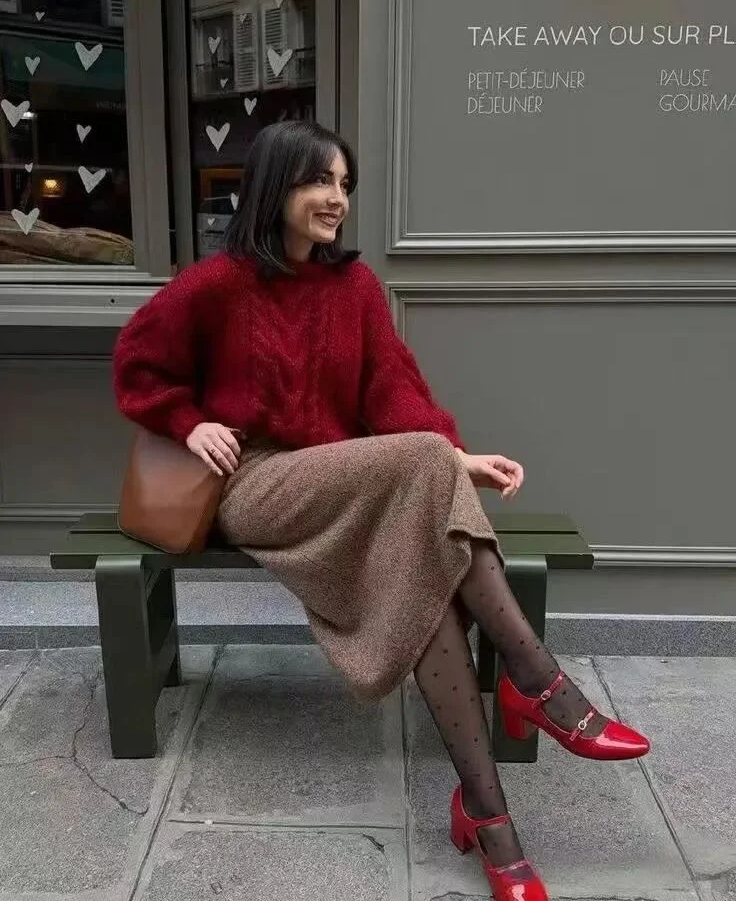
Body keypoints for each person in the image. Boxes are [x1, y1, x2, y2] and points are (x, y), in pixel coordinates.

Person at [112, 120, 650, 901]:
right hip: (257, 486)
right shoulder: (218, 283)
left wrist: (455, 456)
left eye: (345, 184)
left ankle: (490, 819)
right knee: (428, 478)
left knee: (429, 571)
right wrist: (189, 420)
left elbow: (390, 389)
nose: (337, 199)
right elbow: (137, 360)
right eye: (319, 182)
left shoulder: (354, 289)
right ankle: (537, 682)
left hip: (348, 482)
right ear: (276, 187)